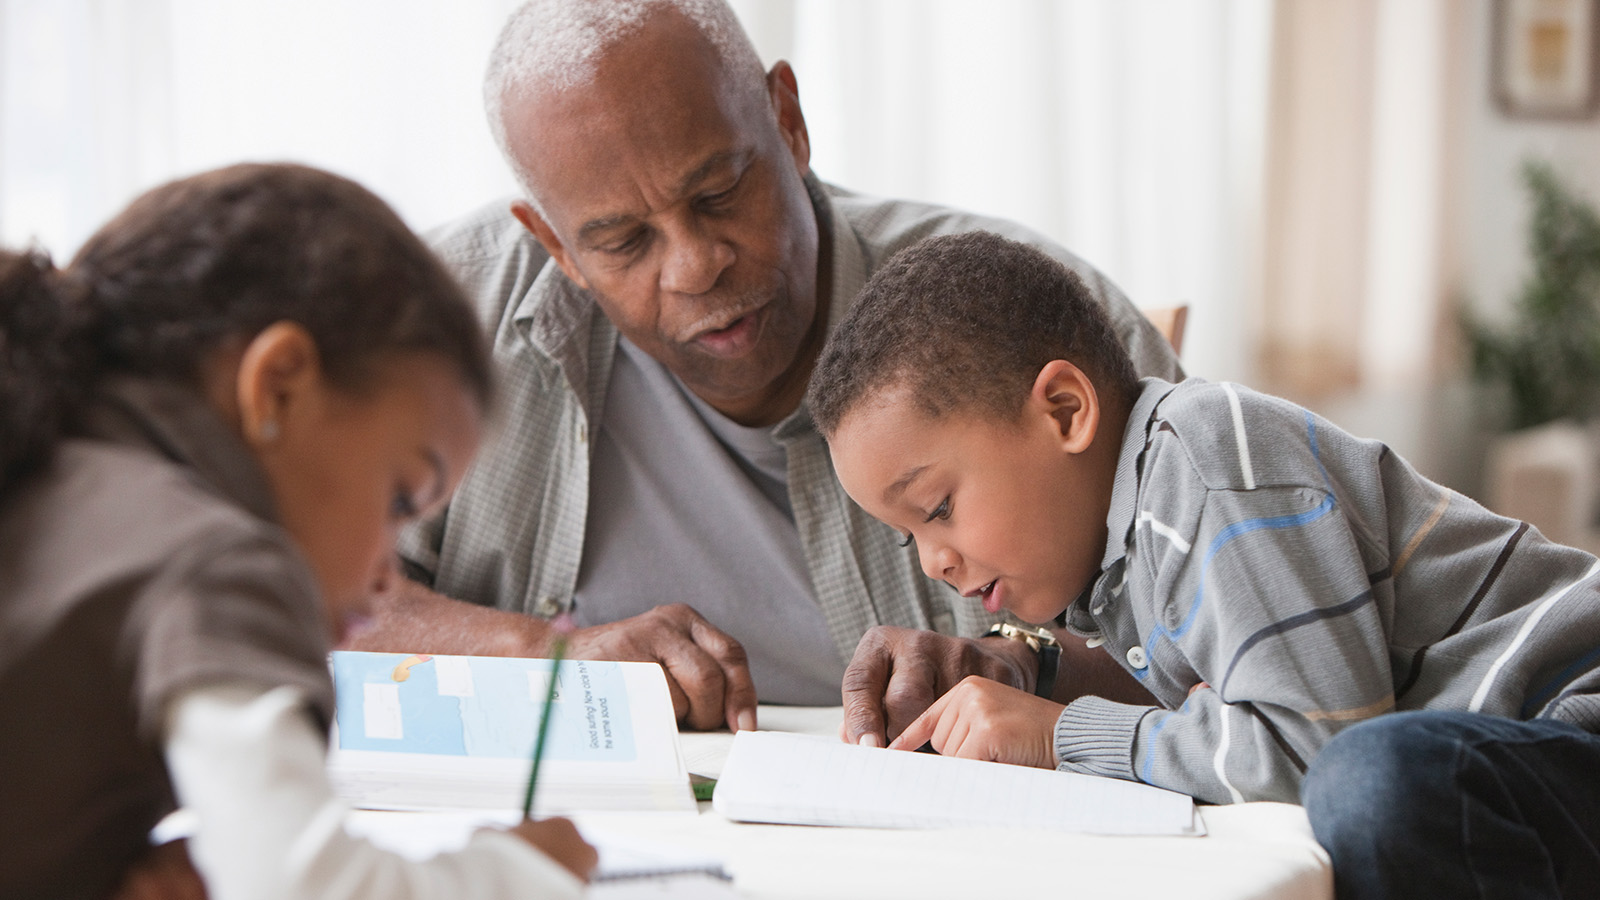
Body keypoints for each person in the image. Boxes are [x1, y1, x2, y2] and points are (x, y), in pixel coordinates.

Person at [352, 0, 1184, 734]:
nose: (694, 266)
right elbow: (280, 588)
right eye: (622, 242)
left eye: (718, 193)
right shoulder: (438, 318)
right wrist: (545, 657)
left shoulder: (1021, 316)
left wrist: (1020, 662)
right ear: (553, 244)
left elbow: (1227, 624)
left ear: (788, 121)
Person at [807, 230, 1600, 897]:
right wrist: (1035, 682)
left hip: (1571, 702)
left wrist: (1060, 736)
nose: (935, 563)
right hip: (1511, 756)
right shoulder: (1117, 560)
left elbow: (1306, 749)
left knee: (1368, 784)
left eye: (938, 507)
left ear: (1065, 411)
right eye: (909, 537)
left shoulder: (1208, 463)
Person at [0, 163, 597, 900]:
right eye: (401, 498)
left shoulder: (59, 484)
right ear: (278, 386)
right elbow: (310, 890)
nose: (388, 576)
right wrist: (528, 871)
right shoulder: (212, 560)